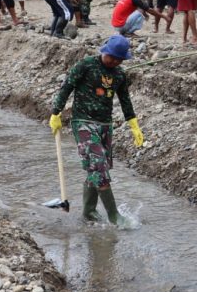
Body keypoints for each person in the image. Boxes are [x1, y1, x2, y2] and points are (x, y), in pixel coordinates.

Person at [49, 35, 144, 225]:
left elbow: (125, 100)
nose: (115, 61)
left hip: (105, 125)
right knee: (99, 167)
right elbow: (67, 87)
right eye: (113, 57)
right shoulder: (86, 65)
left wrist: (133, 124)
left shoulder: (119, 75)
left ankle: (88, 212)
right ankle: (114, 216)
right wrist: (56, 112)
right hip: (83, 122)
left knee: (97, 168)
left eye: (120, 59)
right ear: (105, 51)